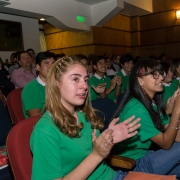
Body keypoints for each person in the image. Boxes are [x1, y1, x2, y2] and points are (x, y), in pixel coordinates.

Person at [30, 56, 141, 180]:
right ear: (56, 84)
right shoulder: (45, 130)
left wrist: (109, 138)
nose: (85, 86)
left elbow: (94, 154)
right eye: (75, 79)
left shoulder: (82, 114)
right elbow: (94, 156)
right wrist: (96, 155)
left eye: (86, 79)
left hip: (113, 175)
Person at [113, 59, 180, 178]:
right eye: (154, 74)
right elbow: (166, 143)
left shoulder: (151, 103)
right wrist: (176, 112)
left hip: (148, 155)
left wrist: (171, 111)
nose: (160, 78)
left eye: (160, 73)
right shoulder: (137, 109)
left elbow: (175, 135)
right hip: (134, 165)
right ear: (140, 81)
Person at [21, 51, 56, 118]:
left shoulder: (59, 84)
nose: (51, 67)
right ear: (38, 67)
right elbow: (36, 118)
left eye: (53, 64)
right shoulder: (30, 89)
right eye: (46, 63)